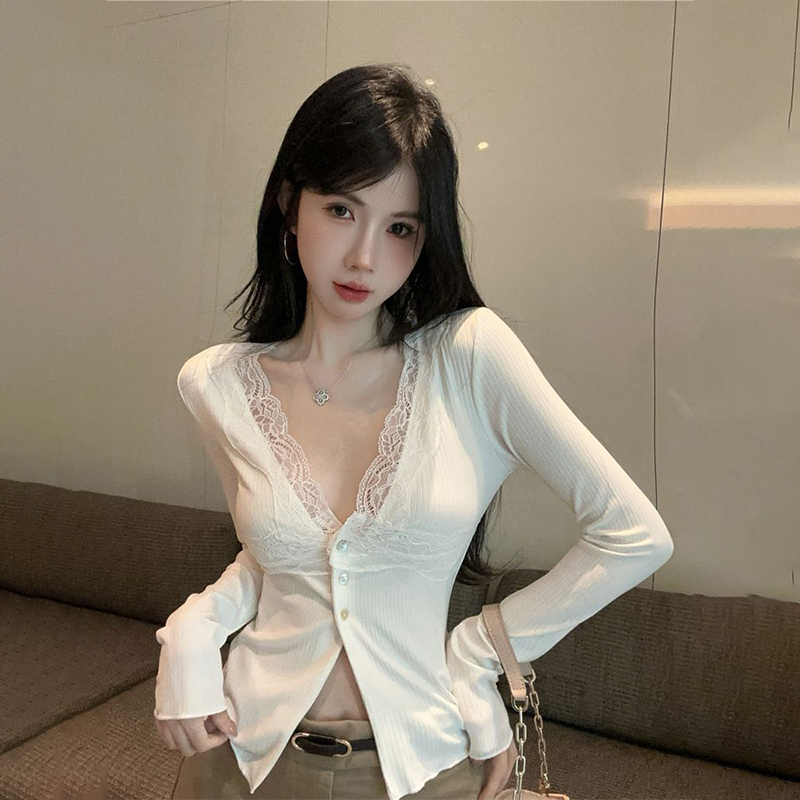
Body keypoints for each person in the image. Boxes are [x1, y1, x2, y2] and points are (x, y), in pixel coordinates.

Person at [153, 63, 674, 800]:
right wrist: (193, 629)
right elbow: (275, 558)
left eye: (400, 227)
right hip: (242, 758)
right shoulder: (216, 384)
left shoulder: (468, 357)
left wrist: (483, 652)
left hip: (421, 767)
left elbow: (634, 534)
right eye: (341, 209)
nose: (365, 257)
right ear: (289, 204)